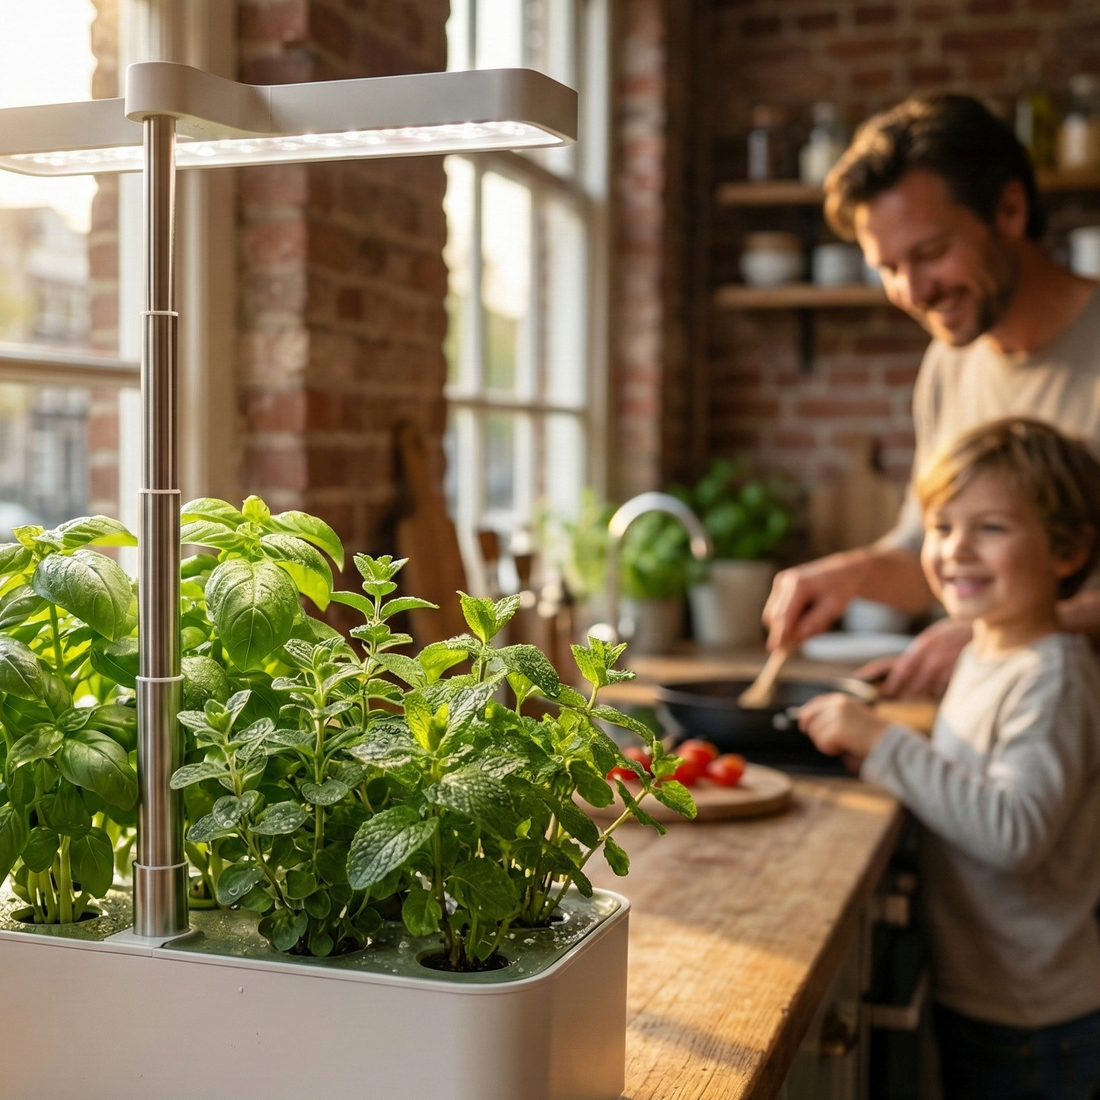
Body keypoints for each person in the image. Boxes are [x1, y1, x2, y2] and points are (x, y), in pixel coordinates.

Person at [799, 418, 1100, 1100]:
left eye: (991, 527)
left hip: (1036, 1019)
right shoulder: (984, 650)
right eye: (941, 526)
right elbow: (974, 781)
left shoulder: (1051, 678)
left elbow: (1014, 832)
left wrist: (887, 744)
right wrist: (889, 765)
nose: (956, 549)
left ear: (1068, 549)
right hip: (983, 988)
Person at [762, 93, 1100, 699]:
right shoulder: (948, 365)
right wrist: (853, 573)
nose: (913, 290)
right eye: (887, 268)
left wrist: (997, 632)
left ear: (1011, 209)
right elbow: (930, 554)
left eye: (931, 253)